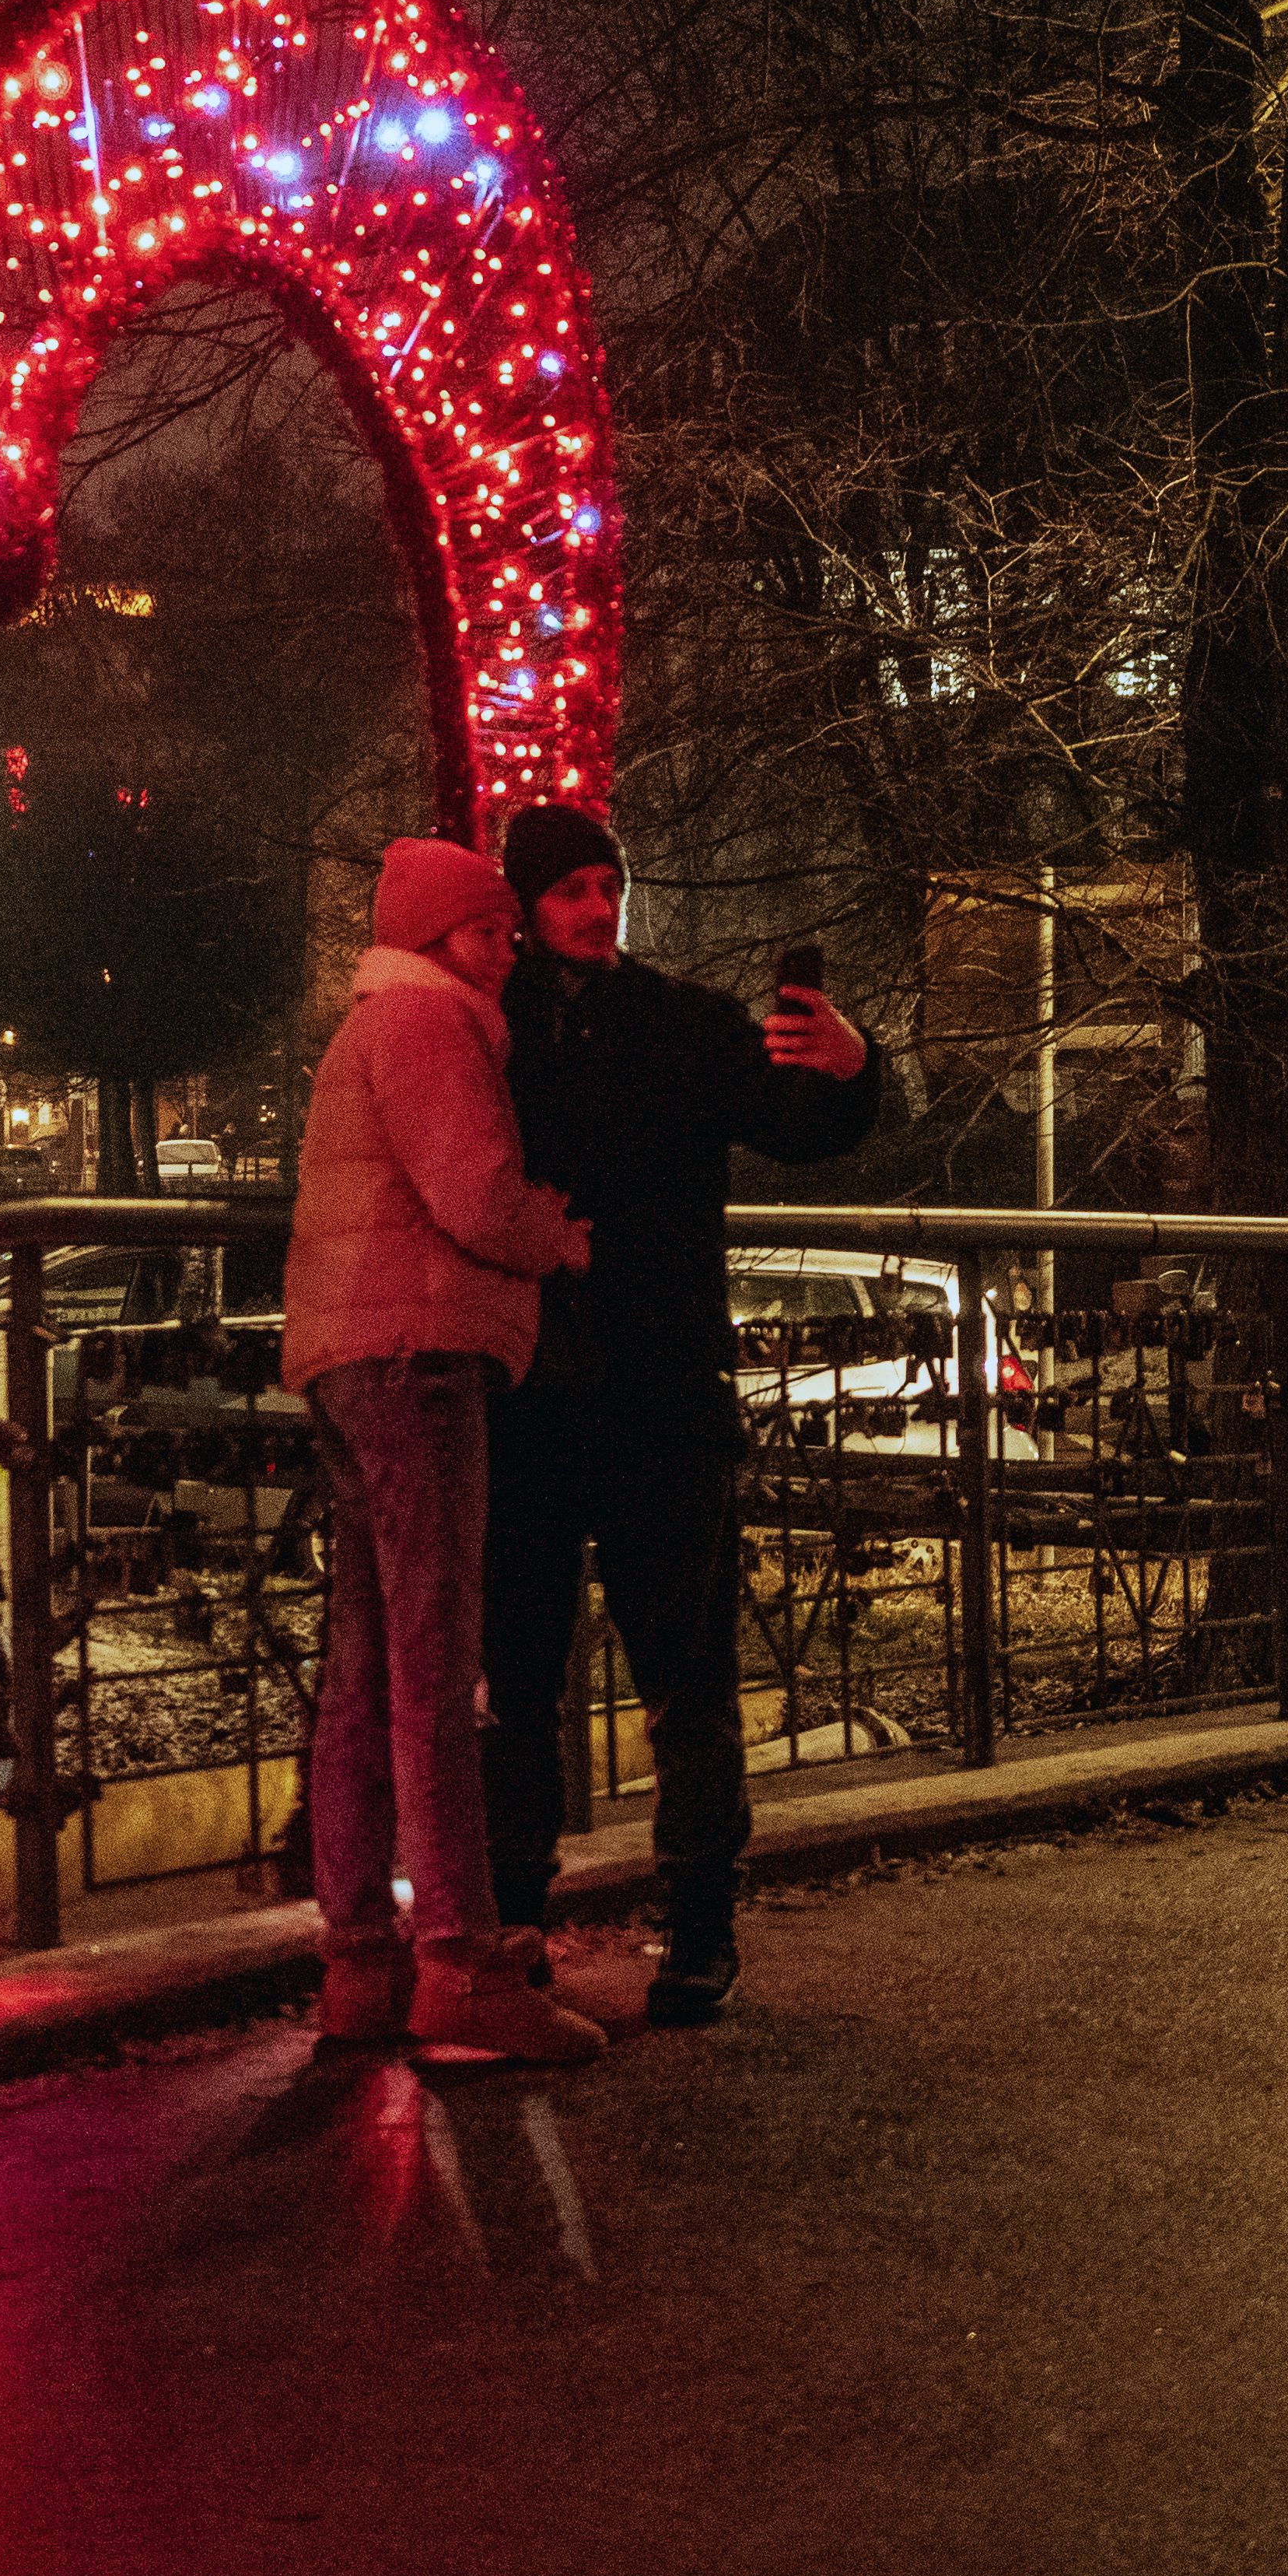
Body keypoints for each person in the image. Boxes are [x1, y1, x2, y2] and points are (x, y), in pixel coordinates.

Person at [484, 802, 884, 2027]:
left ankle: (697, 1925)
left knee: (685, 1680)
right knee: (519, 1678)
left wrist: (854, 1065)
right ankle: (514, 1925)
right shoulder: (482, 1028)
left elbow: (802, 1127)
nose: (598, 908)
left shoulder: (676, 1023)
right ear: (527, 907)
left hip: (651, 1397)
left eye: (609, 886)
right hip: (541, 1399)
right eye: (573, 892)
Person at [284, 836, 606, 2065]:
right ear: (432, 938)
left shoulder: (371, 1027)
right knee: (435, 1670)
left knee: (365, 1671)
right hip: (418, 1360)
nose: (507, 949)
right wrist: (555, 1235)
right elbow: (473, 1193)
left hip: (355, 1357)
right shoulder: (430, 1027)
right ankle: (461, 1969)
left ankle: (360, 1959)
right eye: (488, 932)